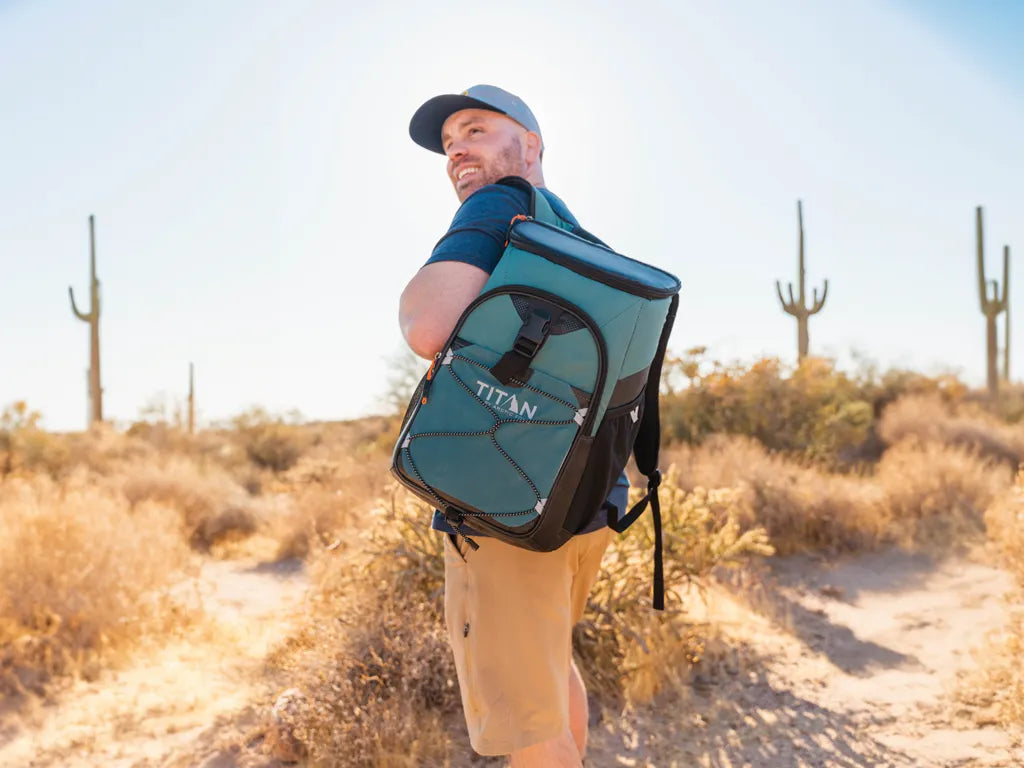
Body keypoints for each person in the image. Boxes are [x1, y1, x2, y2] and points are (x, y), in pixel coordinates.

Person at [399, 85, 628, 767]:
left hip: (504, 506)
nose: (456, 150)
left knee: (526, 724)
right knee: (547, 669)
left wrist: (415, 304)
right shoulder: (574, 233)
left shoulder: (497, 205)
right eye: (449, 144)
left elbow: (427, 326)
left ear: (529, 145)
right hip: (581, 500)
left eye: (474, 130)